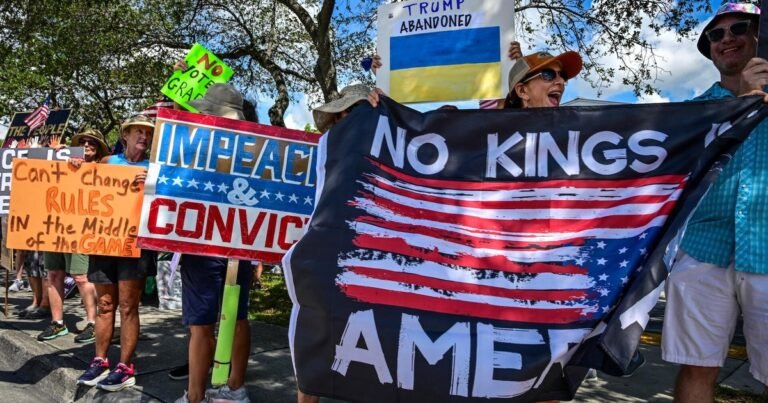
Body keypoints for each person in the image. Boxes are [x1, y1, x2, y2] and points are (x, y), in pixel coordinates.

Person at [661, 3, 768, 402]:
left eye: (739, 28)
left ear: (760, 36)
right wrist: (744, 101)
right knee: (695, 367)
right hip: (702, 251)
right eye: (715, 34)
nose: (726, 39)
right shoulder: (694, 112)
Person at [173, 84, 253, 403]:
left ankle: (210, 393)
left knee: (219, 321)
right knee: (219, 320)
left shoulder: (214, 149)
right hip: (222, 245)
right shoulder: (249, 151)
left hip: (222, 246)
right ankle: (221, 391)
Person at [77, 114, 157, 392]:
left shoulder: (154, 168)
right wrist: (76, 166)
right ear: (125, 135)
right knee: (105, 304)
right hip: (103, 241)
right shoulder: (108, 162)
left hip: (135, 244)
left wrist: (153, 183)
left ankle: (125, 366)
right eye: (138, 132)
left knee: (128, 305)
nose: (144, 137)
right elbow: (82, 186)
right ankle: (99, 361)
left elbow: (166, 201)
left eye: (148, 133)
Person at [37, 129, 109, 342]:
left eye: (92, 142)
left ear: (98, 149)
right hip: (55, 226)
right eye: (83, 141)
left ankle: (92, 323)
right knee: (53, 274)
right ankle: (57, 323)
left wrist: (83, 168)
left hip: (82, 229)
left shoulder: (102, 168)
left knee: (81, 276)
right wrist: (55, 156)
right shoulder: (64, 163)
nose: (87, 145)